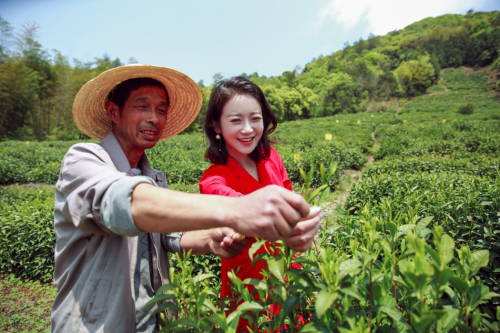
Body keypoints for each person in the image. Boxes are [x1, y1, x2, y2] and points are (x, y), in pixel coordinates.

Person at [51, 65, 318, 333]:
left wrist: (211, 240)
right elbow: (125, 201)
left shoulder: (153, 178)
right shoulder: (82, 160)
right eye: (142, 106)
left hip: (150, 323)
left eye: (161, 110)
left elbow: (171, 237)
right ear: (113, 111)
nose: (154, 118)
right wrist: (240, 208)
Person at [199, 77, 322, 332]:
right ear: (217, 126)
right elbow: (241, 207)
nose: (248, 129)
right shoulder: (214, 179)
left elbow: (291, 199)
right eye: (235, 120)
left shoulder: (271, 157)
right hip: (249, 287)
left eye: (255, 118)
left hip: (288, 272)